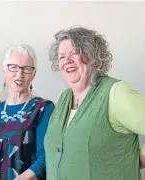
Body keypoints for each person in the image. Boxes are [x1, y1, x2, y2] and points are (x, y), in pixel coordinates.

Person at [44, 26, 145, 180]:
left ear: (92, 55)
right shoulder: (63, 98)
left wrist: (141, 159)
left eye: (74, 53)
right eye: (61, 56)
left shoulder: (116, 93)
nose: (67, 61)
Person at [0, 44, 54, 180]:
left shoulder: (43, 109)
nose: (19, 74)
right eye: (13, 67)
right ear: (4, 71)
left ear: (33, 74)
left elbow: (44, 158)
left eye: (26, 69)